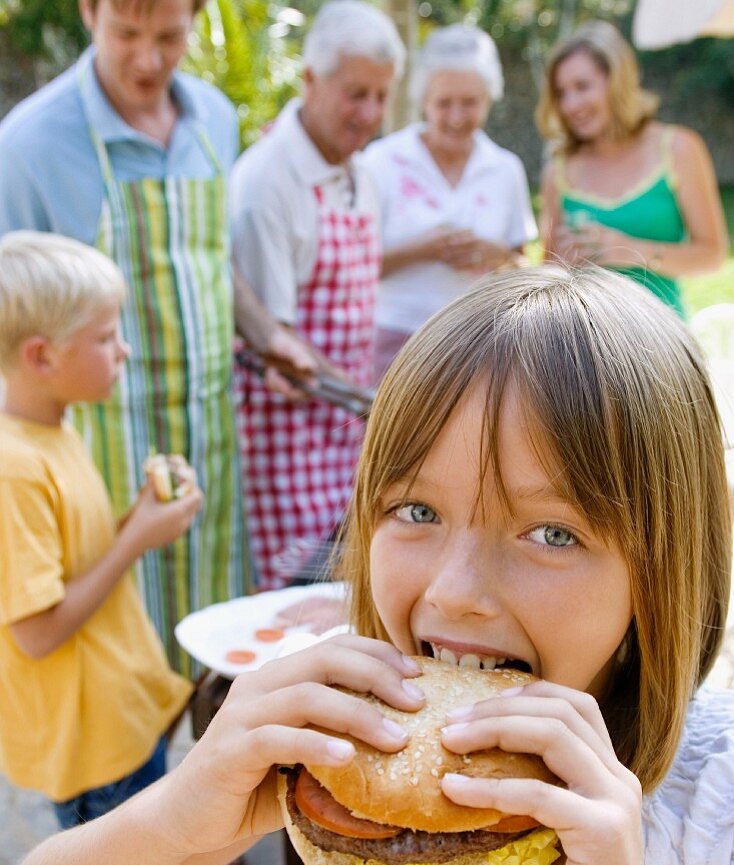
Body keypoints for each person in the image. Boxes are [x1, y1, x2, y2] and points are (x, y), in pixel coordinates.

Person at [3, 265, 734, 865]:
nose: (455, 590)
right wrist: (184, 807)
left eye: (551, 532)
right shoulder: (337, 754)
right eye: (416, 512)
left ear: (663, 570)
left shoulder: (713, 793)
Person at [0, 0, 315, 672]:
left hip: (209, 437)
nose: (148, 60)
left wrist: (266, 336)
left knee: (213, 651)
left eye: (170, 36)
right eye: (126, 34)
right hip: (101, 449)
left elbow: (208, 259)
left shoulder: (215, 121)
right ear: (89, 12)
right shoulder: (30, 145)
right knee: (117, 661)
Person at [0, 232, 216, 865]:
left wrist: (133, 516)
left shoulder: (54, 430)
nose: (123, 350)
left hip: (118, 720)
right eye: (106, 336)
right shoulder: (14, 467)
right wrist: (140, 539)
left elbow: (69, 564)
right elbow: (37, 631)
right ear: (43, 355)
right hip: (93, 743)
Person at [229, 0, 405, 590]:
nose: (370, 114)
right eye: (356, 94)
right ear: (309, 80)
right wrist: (372, 400)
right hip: (285, 446)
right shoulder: (266, 183)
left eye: (381, 97)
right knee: (290, 613)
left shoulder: (361, 172)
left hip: (345, 440)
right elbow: (276, 347)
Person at [363, 24, 536, 380]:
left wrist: (497, 255)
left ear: (489, 99)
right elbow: (353, 269)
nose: (457, 117)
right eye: (444, 103)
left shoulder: (505, 169)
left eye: (470, 103)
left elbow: (526, 273)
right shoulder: (381, 161)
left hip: (482, 344)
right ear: (423, 100)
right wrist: (423, 249)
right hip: (395, 344)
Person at [537, 20, 728, 317]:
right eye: (561, 93)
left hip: (661, 340)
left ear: (618, 82)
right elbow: (548, 272)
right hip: (583, 346)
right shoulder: (558, 171)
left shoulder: (678, 149)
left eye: (582, 87)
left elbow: (712, 256)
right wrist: (561, 262)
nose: (570, 105)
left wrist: (629, 250)